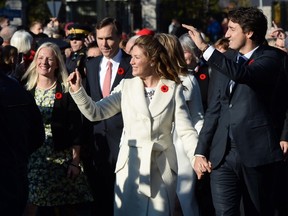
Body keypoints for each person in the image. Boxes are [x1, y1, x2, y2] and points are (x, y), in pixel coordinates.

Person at [68, 34, 201, 216]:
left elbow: (186, 131)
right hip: (130, 169)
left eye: (137, 57)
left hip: (161, 170)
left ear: (153, 60)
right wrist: (78, 92)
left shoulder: (173, 89)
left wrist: (197, 157)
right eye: (131, 56)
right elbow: (96, 113)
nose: (131, 62)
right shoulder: (126, 86)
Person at [182, 6, 288, 216]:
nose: (226, 34)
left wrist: (205, 47)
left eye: (232, 29)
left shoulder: (272, 58)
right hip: (222, 155)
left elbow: (244, 74)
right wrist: (201, 150)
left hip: (256, 152)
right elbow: (214, 108)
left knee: (257, 211)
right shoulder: (226, 60)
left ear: (249, 32)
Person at [21, 42, 94, 216]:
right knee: (32, 205)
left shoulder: (66, 90)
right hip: (33, 160)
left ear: (56, 63)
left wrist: (75, 163)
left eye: (49, 59)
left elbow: (76, 129)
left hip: (62, 159)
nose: (44, 62)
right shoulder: (25, 89)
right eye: (40, 58)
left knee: (66, 207)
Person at [82, 16, 133, 216]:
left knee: (122, 198)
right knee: (98, 198)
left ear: (120, 37)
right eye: (100, 38)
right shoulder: (92, 65)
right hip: (97, 141)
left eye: (109, 38)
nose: (104, 44)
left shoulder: (132, 65)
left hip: (123, 140)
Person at [155, 33, 204, 216]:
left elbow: (198, 117)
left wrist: (199, 151)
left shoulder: (189, 80)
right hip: (158, 147)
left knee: (184, 201)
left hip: (183, 148)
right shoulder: (150, 80)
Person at [0, 37, 44, 216]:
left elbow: (36, 135)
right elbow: (37, 136)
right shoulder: (16, 88)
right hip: (13, 179)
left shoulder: (15, 88)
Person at [179, 33, 210, 112]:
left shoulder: (208, 70)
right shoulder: (178, 74)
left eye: (185, 52)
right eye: (180, 52)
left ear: (194, 51)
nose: (181, 56)